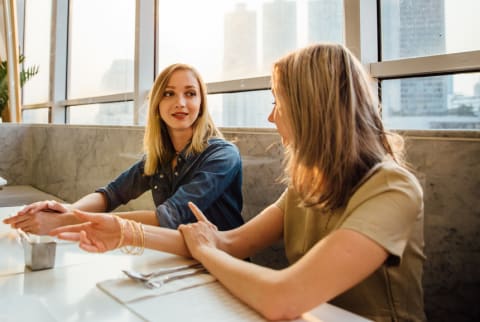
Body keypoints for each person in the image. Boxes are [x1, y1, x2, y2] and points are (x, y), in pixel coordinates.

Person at [48, 44, 426, 321]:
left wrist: (201, 249)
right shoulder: (306, 186)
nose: (270, 116)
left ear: (313, 109)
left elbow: (282, 297)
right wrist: (122, 232)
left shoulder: (392, 188)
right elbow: (229, 240)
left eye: (278, 102)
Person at [4, 63, 244, 234]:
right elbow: (110, 195)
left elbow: (167, 218)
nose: (180, 102)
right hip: (181, 259)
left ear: (201, 104)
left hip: (224, 266)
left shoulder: (222, 155)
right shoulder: (158, 159)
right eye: (169, 93)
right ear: (157, 105)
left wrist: (70, 220)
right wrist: (64, 211)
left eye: (190, 94)